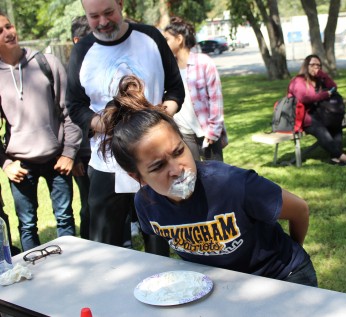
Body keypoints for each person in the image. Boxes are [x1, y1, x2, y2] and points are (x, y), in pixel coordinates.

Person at [99, 74, 318, 287]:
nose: (176, 169)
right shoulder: (146, 205)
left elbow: (300, 210)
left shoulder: (233, 184)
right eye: (158, 166)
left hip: (284, 277)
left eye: (178, 152)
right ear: (137, 177)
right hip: (224, 285)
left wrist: (292, 254)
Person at [66, 0, 185, 255]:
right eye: (94, 16)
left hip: (154, 159)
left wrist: (159, 117)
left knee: (157, 239)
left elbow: (175, 89)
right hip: (106, 162)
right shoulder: (83, 50)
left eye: (108, 12)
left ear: (120, 5)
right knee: (104, 242)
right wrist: (103, 124)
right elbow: (75, 105)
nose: (103, 22)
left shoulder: (150, 38)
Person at [0, 11, 81, 251]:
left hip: (57, 160)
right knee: (27, 225)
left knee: (65, 219)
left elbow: (70, 111)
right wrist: (5, 164)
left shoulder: (46, 63)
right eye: (0, 31)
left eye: (8, 26)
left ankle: (71, 268)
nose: (8, 33)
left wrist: (69, 152)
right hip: (20, 165)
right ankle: (35, 278)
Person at [163, 16, 227, 161]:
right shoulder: (168, 68)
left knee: (216, 177)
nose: (163, 43)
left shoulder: (204, 63)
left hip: (207, 132)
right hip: (183, 133)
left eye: (167, 39)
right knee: (193, 177)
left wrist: (214, 131)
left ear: (179, 39)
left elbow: (216, 99)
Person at [288, 54, 346, 166]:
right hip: (303, 117)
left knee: (336, 122)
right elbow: (304, 98)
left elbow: (333, 87)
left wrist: (323, 75)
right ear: (306, 66)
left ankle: (335, 158)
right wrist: (325, 95)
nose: (316, 68)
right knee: (320, 129)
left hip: (318, 113)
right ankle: (341, 156)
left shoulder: (318, 79)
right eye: (312, 65)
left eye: (318, 66)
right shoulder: (298, 81)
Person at [70, 15, 92, 239]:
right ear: (78, 41)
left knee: (116, 206)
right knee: (88, 206)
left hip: (107, 150)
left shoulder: (100, 66)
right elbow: (68, 115)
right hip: (83, 154)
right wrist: (73, 155)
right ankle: (88, 244)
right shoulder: (71, 73)